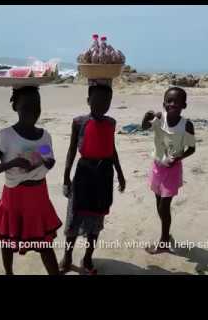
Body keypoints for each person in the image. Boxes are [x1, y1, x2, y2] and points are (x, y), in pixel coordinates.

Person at [0, 86, 62, 275]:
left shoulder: (44, 136)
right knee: (8, 238)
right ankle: (8, 272)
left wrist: (39, 161)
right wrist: (13, 163)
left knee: (44, 243)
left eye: (37, 105)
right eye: (27, 106)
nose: (33, 110)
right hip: (14, 196)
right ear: (15, 107)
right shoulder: (6, 137)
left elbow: (50, 160)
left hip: (38, 196)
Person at [60, 83, 126, 275]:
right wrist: (66, 175)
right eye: (97, 100)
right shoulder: (79, 122)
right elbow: (72, 149)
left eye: (107, 101)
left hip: (104, 174)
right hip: (84, 173)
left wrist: (120, 173)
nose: (102, 104)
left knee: (97, 218)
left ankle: (88, 257)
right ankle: (68, 256)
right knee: (75, 216)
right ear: (89, 101)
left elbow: (111, 149)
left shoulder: (111, 123)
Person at [141, 86, 196, 254]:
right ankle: (166, 235)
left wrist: (178, 158)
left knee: (164, 206)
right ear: (163, 103)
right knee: (159, 205)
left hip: (172, 170)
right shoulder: (159, 117)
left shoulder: (186, 125)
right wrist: (145, 118)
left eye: (176, 102)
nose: (172, 104)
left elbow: (191, 149)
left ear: (184, 105)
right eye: (168, 101)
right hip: (157, 167)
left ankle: (164, 241)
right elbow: (144, 128)